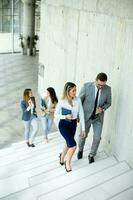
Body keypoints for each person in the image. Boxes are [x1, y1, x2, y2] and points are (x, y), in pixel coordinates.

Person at [77, 72, 112, 163]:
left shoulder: (108, 89)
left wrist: (102, 108)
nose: (101, 87)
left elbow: (109, 103)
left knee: (97, 137)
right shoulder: (86, 86)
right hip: (86, 116)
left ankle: (92, 154)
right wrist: (77, 115)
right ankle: (80, 150)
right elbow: (79, 101)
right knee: (83, 136)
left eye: (103, 85)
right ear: (96, 80)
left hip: (98, 118)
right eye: (99, 84)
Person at [55, 82, 85, 172]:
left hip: (73, 124)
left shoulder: (78, 99)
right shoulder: (62, 101)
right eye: (73, 91)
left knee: (68, 143)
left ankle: (61, 157)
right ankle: (67, 163)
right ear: (67, 91)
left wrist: (83, 129)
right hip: (63, 125)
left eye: (75, 90)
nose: (75, 92)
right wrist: (65, 116)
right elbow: (55, 115)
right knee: (73, 146)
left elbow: (82, 114)